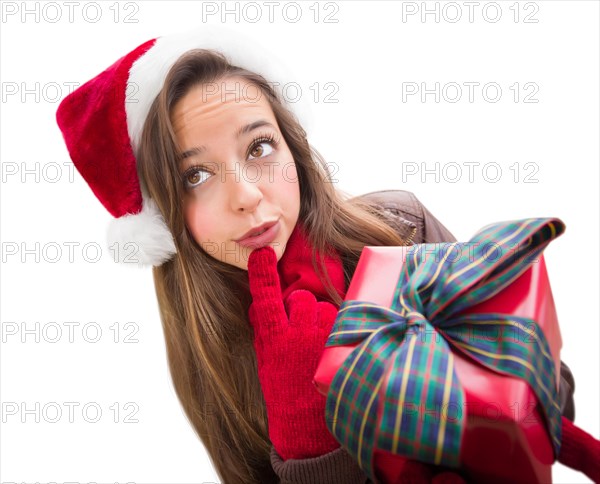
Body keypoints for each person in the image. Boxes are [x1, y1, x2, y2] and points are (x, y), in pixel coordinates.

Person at [56, 28, 595, 484]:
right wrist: (310, 448)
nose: (245, 194)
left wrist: (454, 374)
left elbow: (558, 399)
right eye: (195, 175)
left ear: (292, 147)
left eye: (259, 147)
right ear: (168, 217)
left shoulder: (396, 227)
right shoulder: (208, 352)